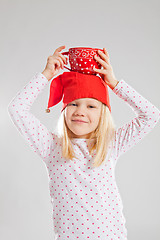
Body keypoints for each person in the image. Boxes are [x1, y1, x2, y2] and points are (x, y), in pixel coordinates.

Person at [7, 45, 160, 240]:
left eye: (91, 106)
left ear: (103, 113)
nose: (80, 111)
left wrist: (114, 83)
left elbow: (151, 115)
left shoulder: (110, 145)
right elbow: (17, 110)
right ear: (64, 111)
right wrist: (46, 74)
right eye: (73, 103)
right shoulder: (51, 146)